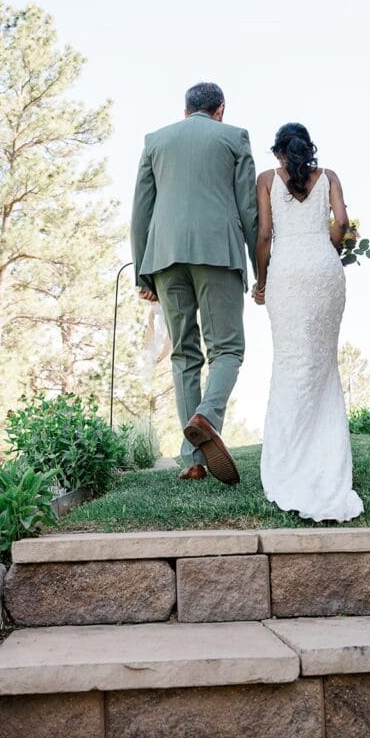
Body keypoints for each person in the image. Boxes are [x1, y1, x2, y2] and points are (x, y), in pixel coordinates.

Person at [130, 82, 257, 484]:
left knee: (184, 354)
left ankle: (194, 458)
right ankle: (208, 415)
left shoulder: (155, 141)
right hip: (217, 252)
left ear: (185, 112)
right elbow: (248, 209)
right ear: (220, 109)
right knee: (228, 350)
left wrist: (143, 273)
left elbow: (140, 211)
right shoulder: (234, 137)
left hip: (165, 257)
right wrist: (260, 267)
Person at [253, 122, 364, 522]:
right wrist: (326, 248)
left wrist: (261, 282)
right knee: (321, 364)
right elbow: (343, 224)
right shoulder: (329, 176)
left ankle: (289, 464)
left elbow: (265, 235)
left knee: (291, 363)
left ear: (279, 151)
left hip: (286, 273)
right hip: (324, 270)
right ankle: (325, 463)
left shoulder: (266, 179)